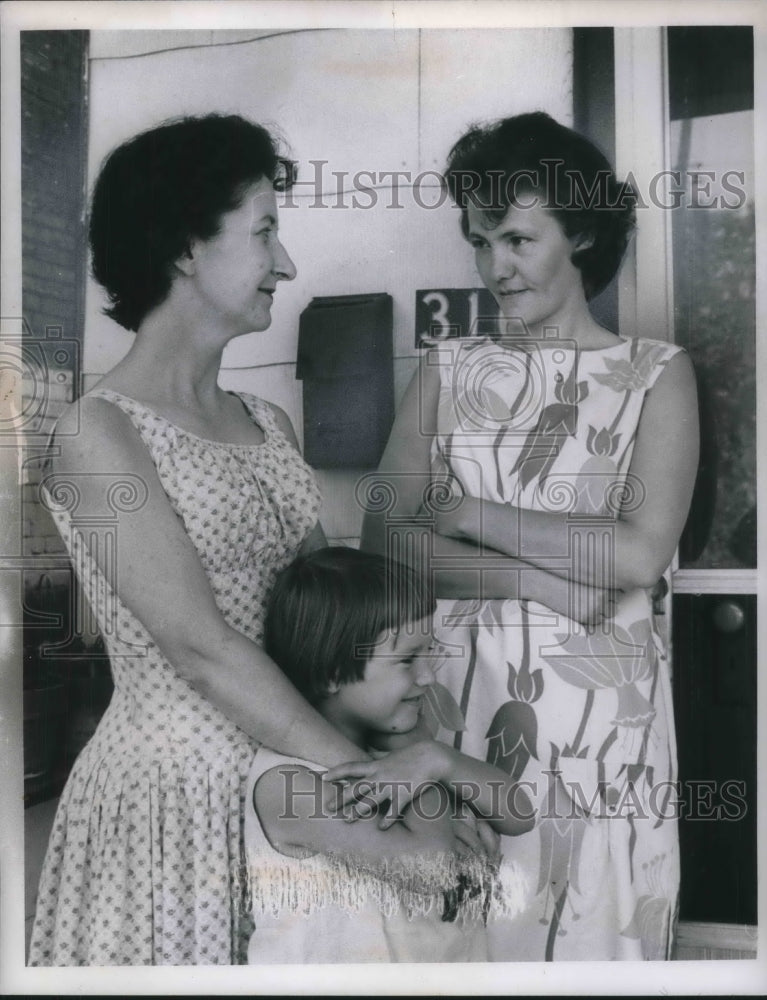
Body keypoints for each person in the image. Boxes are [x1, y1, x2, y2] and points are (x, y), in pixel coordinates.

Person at [27, 115, 466, 967]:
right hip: (174, 802)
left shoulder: (267, 423)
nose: (287, 262)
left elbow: (329, 621)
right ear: (186, 246)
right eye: (264, 229)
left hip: (292, 784)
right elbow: (199, 647)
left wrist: (412, 748)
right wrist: (372, 787)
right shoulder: (95, 434)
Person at [359, 112, 699, 960]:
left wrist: (466, 514)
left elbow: (637, 555)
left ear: (579, 231)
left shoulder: (656, 375)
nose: (492, 267)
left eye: (515, 239)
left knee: (594, 932)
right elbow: (381, 542)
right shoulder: (448, 370)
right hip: (455, 706)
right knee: (466, 933)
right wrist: (539, 581)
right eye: (480, 242)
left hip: (602, 725)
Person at [246, 546, 533, 964]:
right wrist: (419, 758)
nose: (427, 675)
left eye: (427, 653)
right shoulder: (290, 784)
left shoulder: (405, 748)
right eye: (405, 660)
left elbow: (519, 813)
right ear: (331, 673)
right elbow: (431, 869)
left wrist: (439, 760)